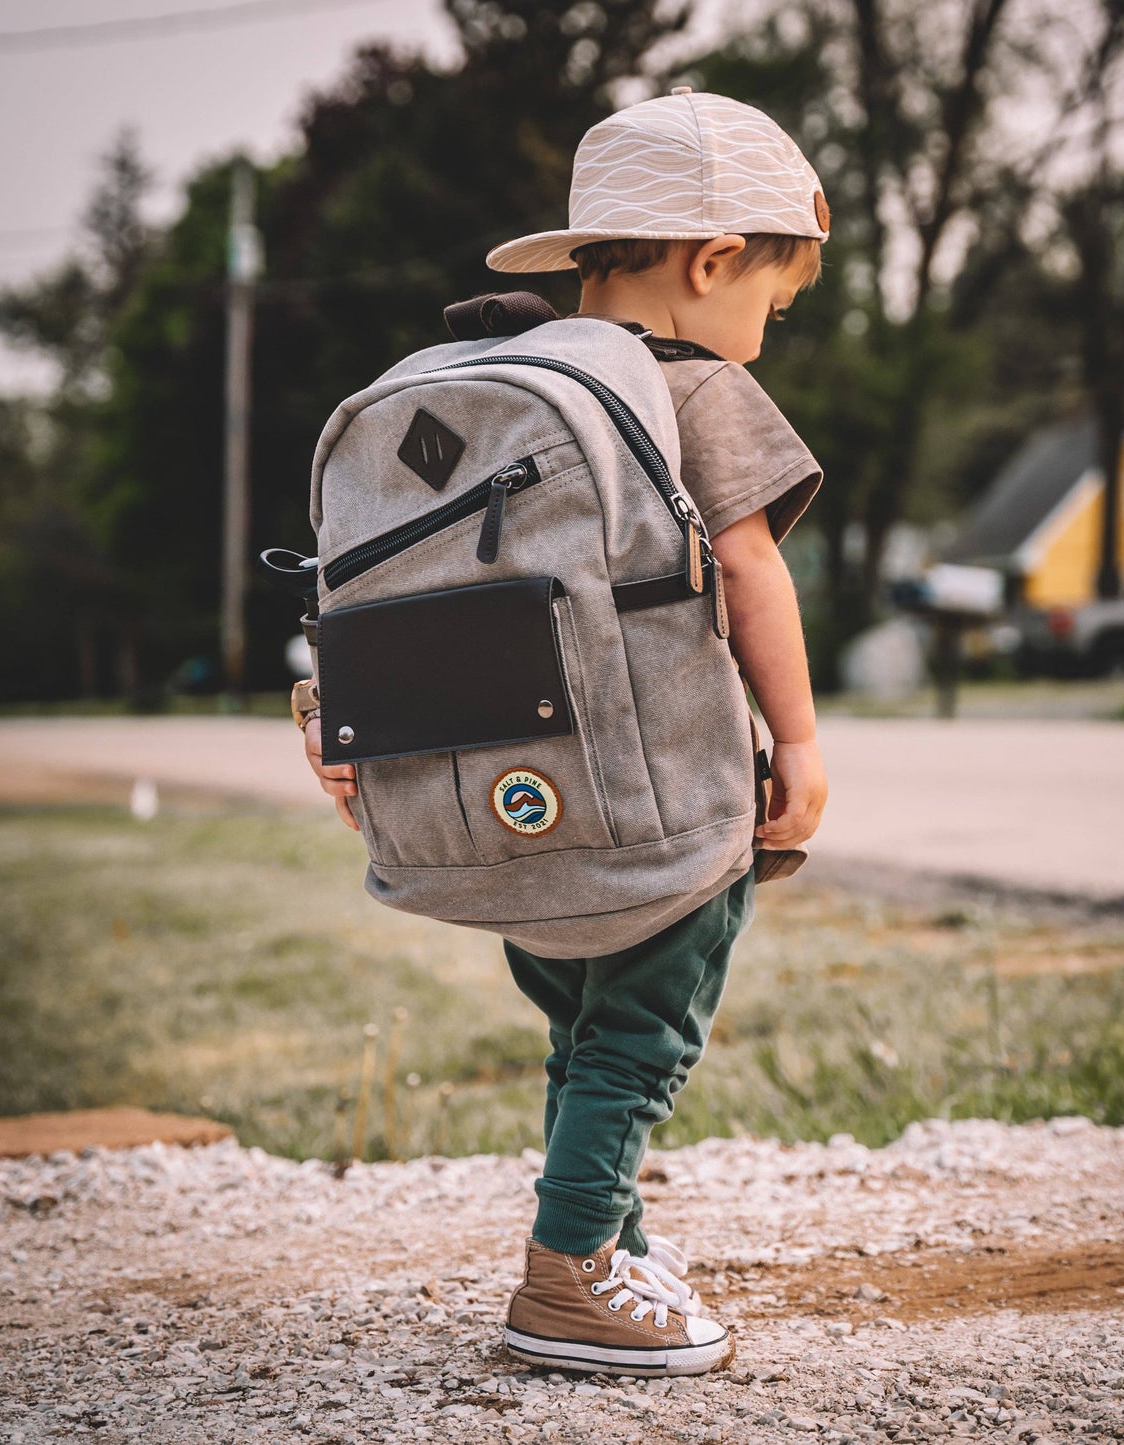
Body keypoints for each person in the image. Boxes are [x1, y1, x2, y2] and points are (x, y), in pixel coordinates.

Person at [302, 89, 829, 1376]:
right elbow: (752, 574)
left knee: (580, 1035)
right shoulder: (694, 387)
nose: (765, 329)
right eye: (773, 297)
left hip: (502, 807)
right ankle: (568, 1274)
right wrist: (800, 746)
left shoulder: (475, 385)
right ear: (712, 262)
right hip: (658, 806)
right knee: (641, 1041)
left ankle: (610, 1245)